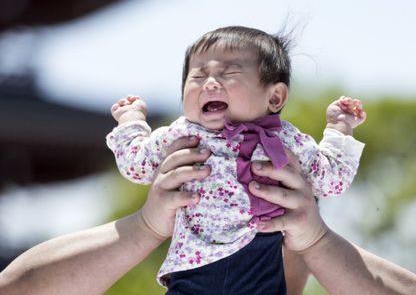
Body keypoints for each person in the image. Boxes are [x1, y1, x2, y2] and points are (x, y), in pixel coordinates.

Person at [106, 26, 366, 292]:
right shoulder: (180, 134)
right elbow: (136, 166)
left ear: (275, 97)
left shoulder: (287, 141)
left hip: (260, 264)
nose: (209, 83)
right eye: (198, 75)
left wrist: (339, 128)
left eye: (229, 73)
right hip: (193, 268)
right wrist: (132, 121)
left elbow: (331, 180)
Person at [1, 136, 415, 295]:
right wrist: (145, 227)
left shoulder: (306, 243)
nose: (232, 223)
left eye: (266, 197)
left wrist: (318, 241)